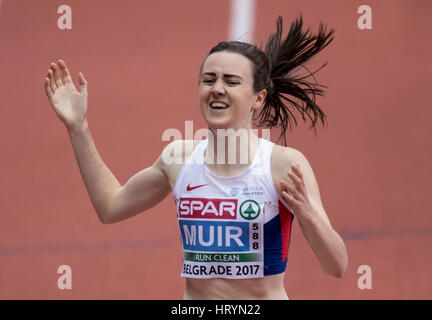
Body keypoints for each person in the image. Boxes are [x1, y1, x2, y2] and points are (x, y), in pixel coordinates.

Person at [44, 15, 348, 300]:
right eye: (208, 79)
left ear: (258, 98)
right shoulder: (178, 159)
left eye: (231, 82)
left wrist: (308, 216)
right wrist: (78, 127)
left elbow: (336, 265)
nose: (217, 89)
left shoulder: (282, 165)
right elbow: (110, 207)